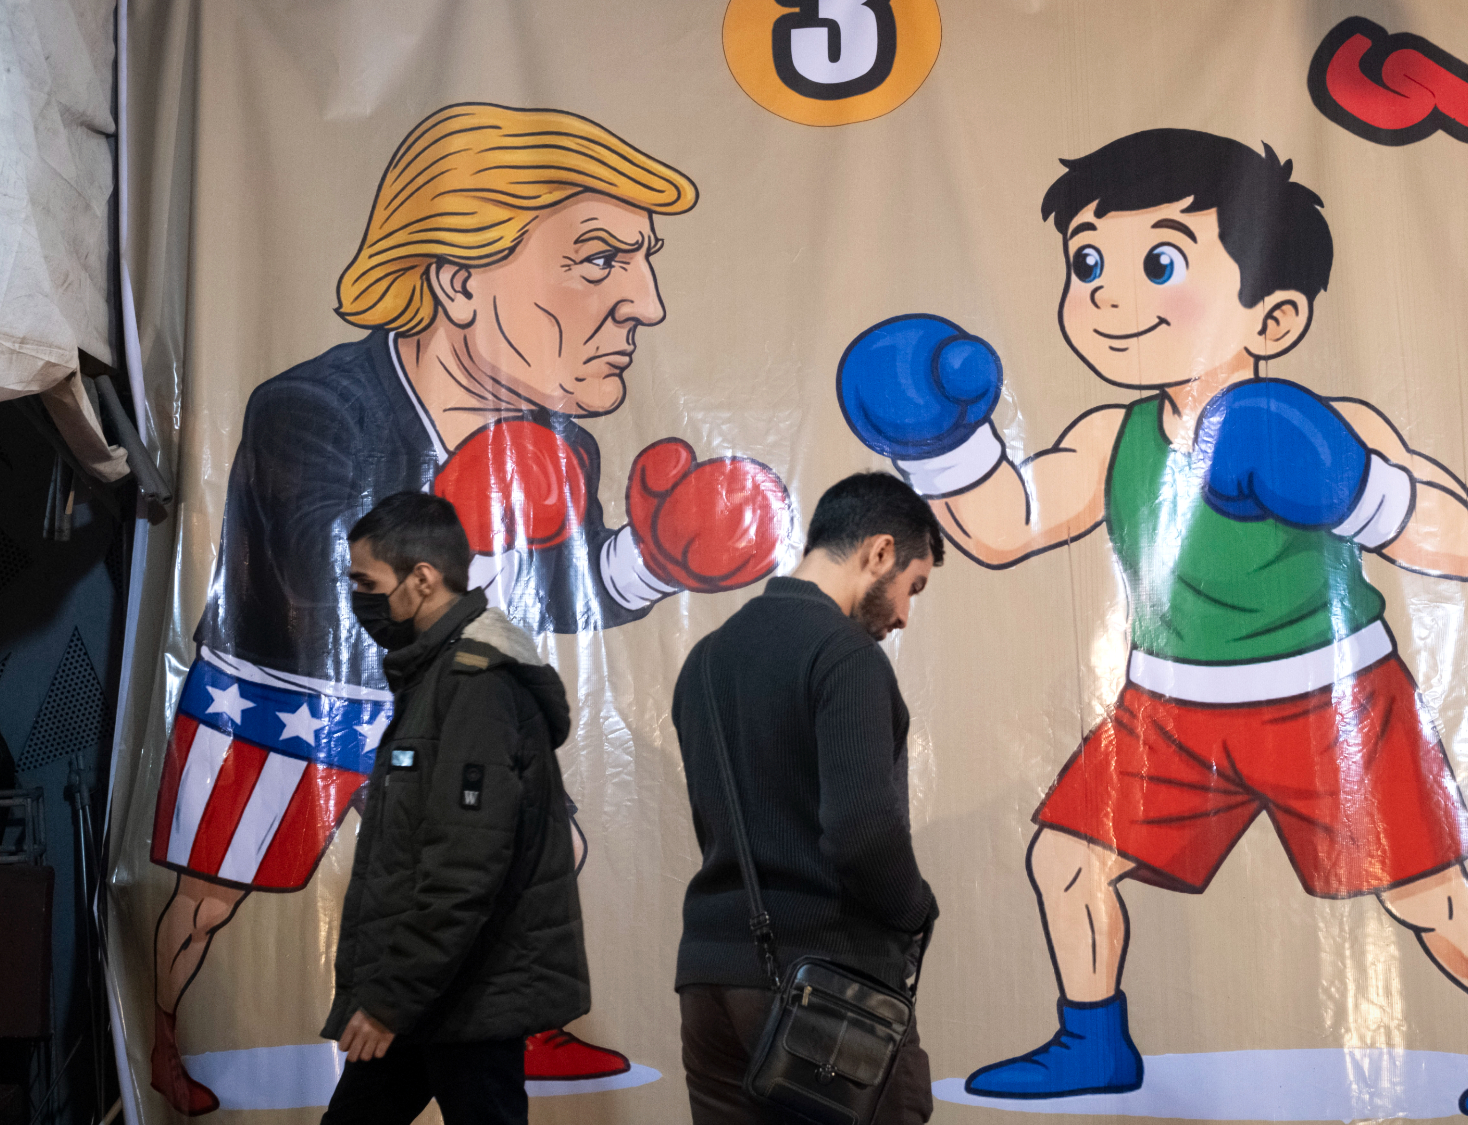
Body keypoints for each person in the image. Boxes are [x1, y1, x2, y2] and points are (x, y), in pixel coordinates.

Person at [835, 130, 1468, 1118]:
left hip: (1335, 702)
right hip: (1171, 706)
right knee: (1068, 859)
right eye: (1087, 263)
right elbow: (1004, 527)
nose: (1108, 295)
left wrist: (1354, 488)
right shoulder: (1112, 437)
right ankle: (1091, 1042)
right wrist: (941, 441)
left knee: (1425, 893)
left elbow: (1460, 542)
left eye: (1157, 263)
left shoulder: (1328, 423)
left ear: (1273, 315)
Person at [145, 102, 791, 1112]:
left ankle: (509, 1022)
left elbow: (558, 593)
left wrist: (655, 561)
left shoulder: (559, 446)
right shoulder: (312, 408)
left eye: (642, 260)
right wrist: (468, 535)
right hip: (286, 693)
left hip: (437, 698)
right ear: (456, 277)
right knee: (214, 886)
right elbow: (331, 586)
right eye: (598, 260)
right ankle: (162, 1040)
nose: (644, 302)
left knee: (523, 843)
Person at [671, 472, 945, 1125]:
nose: (905, 613)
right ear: (879, 552)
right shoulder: (846, 656)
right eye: (914, 586)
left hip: (709, 987)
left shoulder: (704, 662)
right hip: (823, 989)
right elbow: (861, 830)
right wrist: (916, 910)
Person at [318, 492, 584, 1125]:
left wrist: (387, 1000)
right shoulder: (434, 676)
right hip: (429, 995)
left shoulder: (475, 685)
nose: (357, 597)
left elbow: (465, 867)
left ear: (423, 578)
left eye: (366, 581)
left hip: (466, 1000)